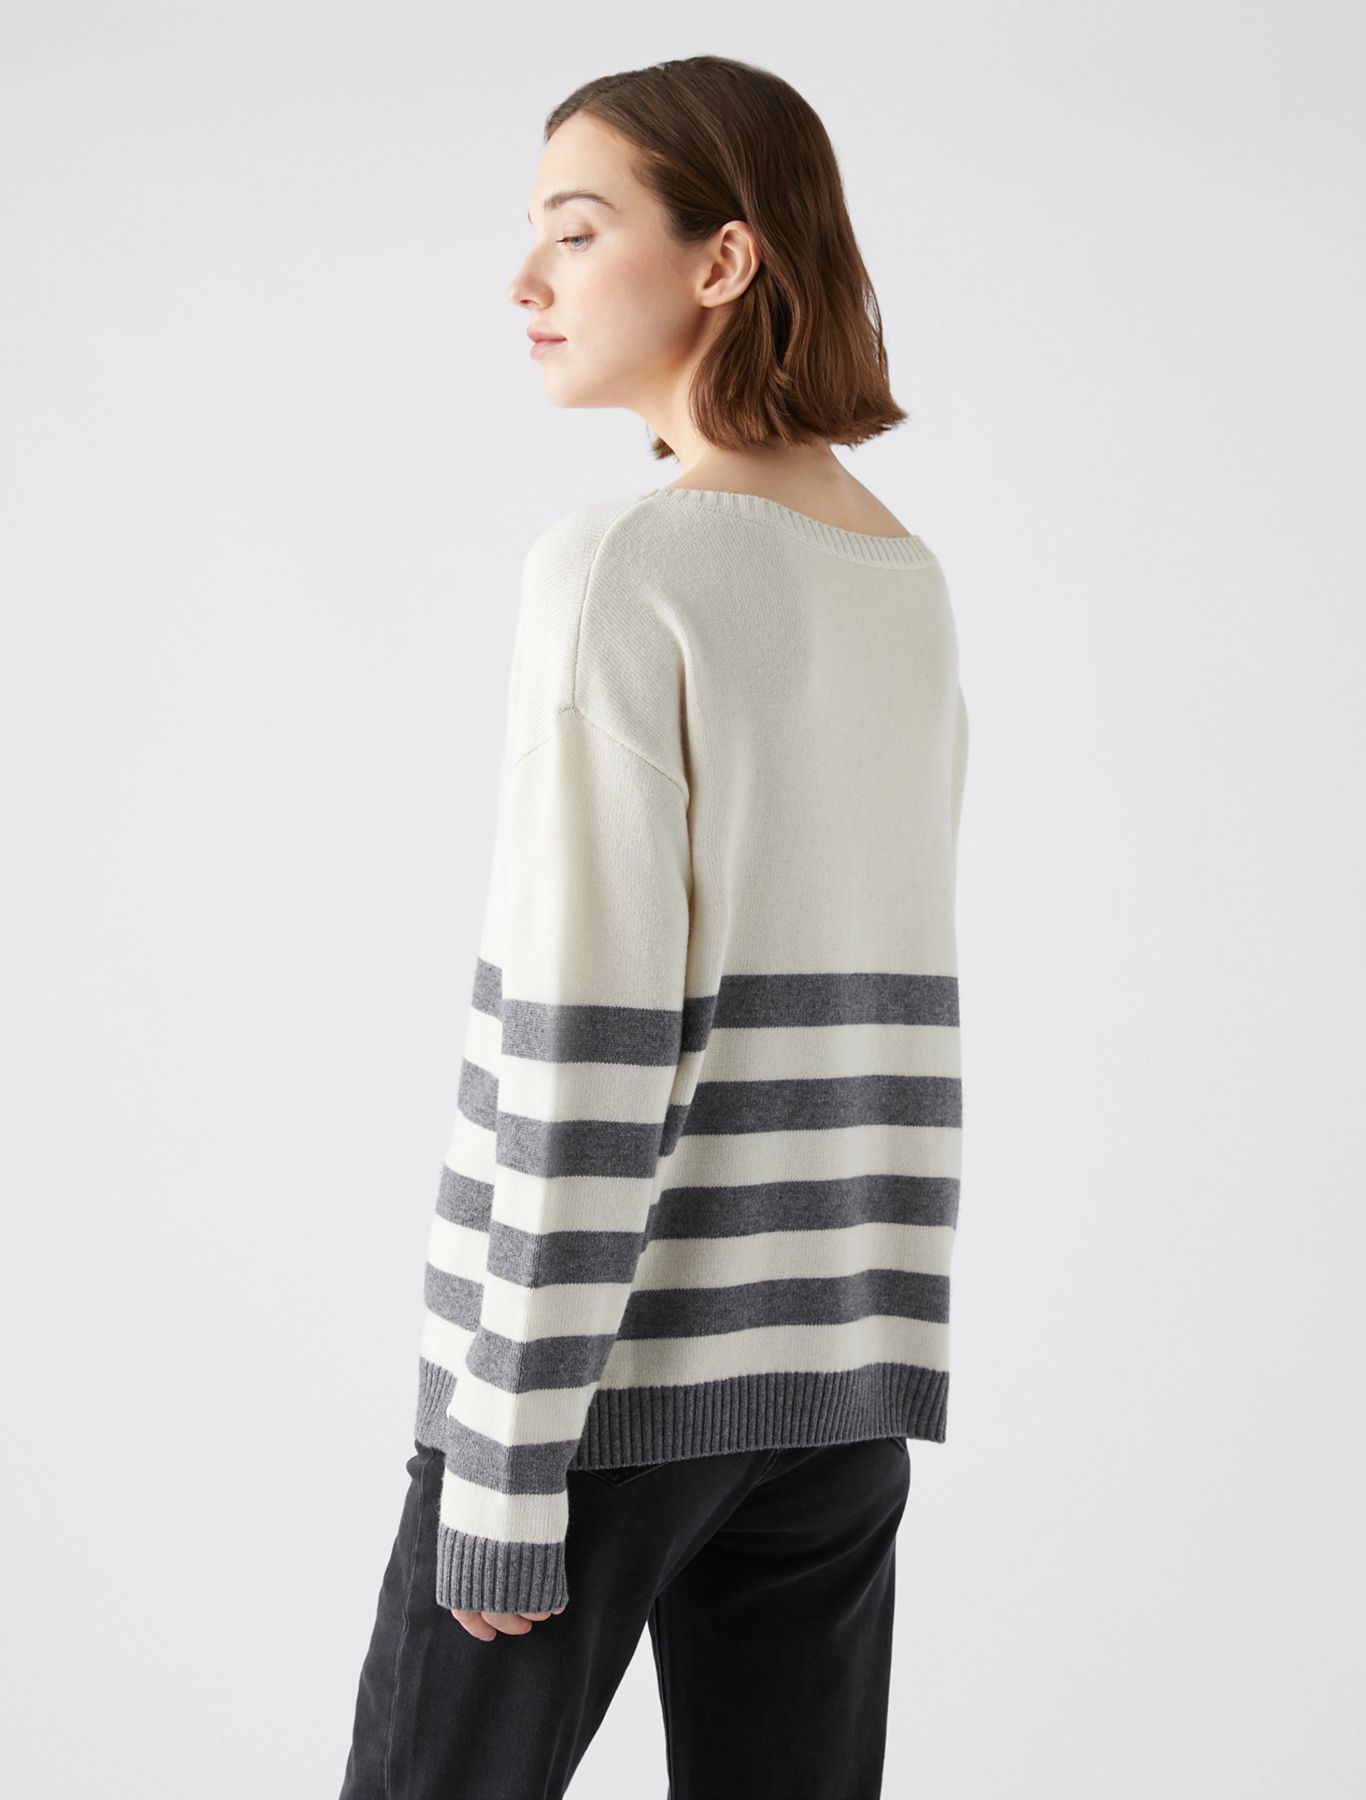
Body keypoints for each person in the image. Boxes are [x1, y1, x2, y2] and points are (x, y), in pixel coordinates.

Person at [340, 52, 969, 1800]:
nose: (524, 281)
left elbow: (586, 1032)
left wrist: (502, 1448)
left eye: (574, 229)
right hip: (838, 1384)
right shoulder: (899, 575)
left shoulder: (624, 566)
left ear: (722, 259)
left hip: (599, 1386)